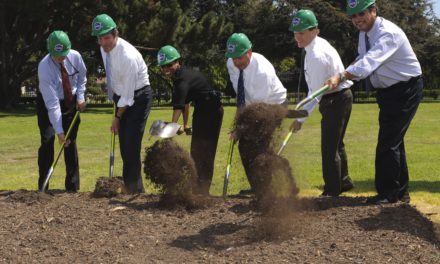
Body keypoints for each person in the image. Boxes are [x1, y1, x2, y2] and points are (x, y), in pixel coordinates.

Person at [326, 0, 423, 204]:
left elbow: (369, 63)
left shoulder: (388, 33)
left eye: (361, 14)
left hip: (405, 89)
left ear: (373, 11)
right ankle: (401, 193)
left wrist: (341, 77)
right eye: (353, 16)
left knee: (388, 143)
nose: (357, 20)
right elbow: (362, 57)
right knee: (394, 142)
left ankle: (388, 194)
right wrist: (342, 73)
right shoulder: (364, 34)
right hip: (388, 92)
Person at [289, 9, 354, 197]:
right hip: (339, 97)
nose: (297, 37)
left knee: (329, 148)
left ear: (314, 30)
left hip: (335, 99)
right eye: (295, 32)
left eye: (301, 32)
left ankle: (332, 192)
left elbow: (315, 94)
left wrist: (299, 119)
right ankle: (343, 181)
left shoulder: (317, 54)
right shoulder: (314, 46)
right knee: (336, 143)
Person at [92, 14, 153, 194]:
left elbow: (128, 96)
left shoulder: (128, 56)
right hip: (122, 96)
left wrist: (117, 117)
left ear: (115, 34)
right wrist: (113, 94)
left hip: (138, 96)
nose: (103, 42)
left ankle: (135, 191)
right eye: (100, 39)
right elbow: (114, 77)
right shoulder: (104, 49)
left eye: (107, 38)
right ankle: (129, 185)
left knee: (131, 145)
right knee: (124, 146)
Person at [225, 33, 287, 194]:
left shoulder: (262, 72)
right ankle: (258, 188)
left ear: (249, 52)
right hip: (251, 106)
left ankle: (267, 189)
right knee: (245, 146)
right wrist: (237, 124)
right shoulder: (231, 64)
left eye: (239, 58)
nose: (236, 62)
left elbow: (259, 111)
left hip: (272, 107)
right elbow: (241, 97)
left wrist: (241, 128)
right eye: (233, 58)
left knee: (259, 145)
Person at [157, 45, 223, 195]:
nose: (166, 69)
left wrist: (172, 128)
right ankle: (197, 187)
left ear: (178, 62)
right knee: (196, 150)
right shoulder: (178, 77)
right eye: (163, 66)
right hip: (201, 110)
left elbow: (178, 106)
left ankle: (203, 190)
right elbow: (186, 102)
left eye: (169, 65)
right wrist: (185, 124)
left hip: (212, 112)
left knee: (205, 150)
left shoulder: (182, 80)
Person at [37, 30, 87, 191]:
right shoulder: (44, 67)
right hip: (48, 103)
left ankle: (72, 187)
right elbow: (52, 104)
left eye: (64, 54)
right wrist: (59, 131)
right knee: (48, 139)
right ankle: (43, 187)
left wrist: (80, 97)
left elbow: (82, 78)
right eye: (57, 55)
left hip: (70, 101)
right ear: (50, 51)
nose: (61, 58)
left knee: (70, 141)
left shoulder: (75, 56)